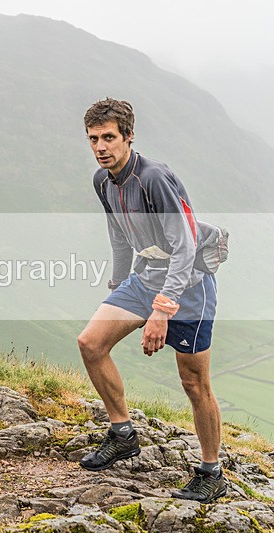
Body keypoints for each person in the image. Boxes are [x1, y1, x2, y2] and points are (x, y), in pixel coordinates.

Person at [76, 98, 226, 503]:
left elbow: (185, 247)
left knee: (194, 383)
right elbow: (120, 236)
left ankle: (212, 473)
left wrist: (162, 310)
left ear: (128, 137)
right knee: (91, 343)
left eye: (109, 137)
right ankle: (122, 433)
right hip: (145, 277)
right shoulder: (103, 181)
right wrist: (118, 288)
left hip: (189, 285)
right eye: (93, 139)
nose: (100, 147)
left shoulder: (154, 177)